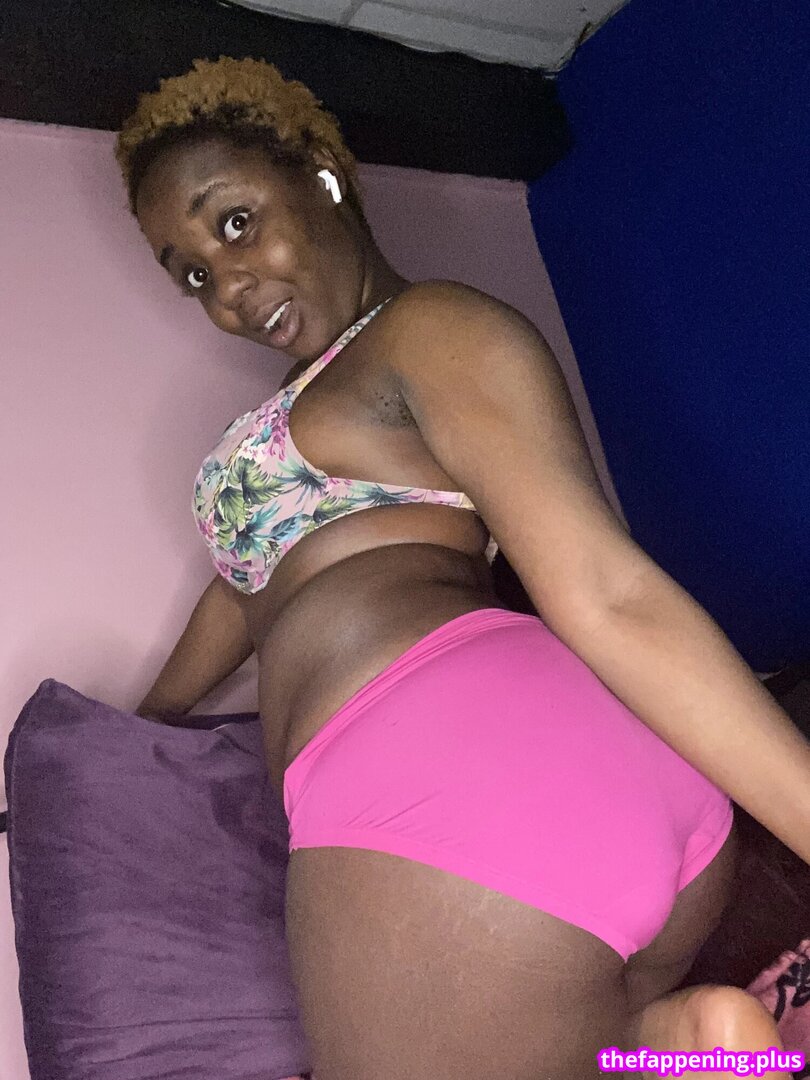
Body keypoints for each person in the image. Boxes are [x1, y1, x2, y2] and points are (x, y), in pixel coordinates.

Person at [115, 56, 807, 1079]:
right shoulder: (302, 412)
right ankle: (706, 1043)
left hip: (455, 776)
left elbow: (607, 594)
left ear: (321, 172)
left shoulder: (427, 331)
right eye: (194, 275)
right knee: (602, 1045)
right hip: (541, 796)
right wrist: (147, 721)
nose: (229, 287)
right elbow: (246, 584)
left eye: (236, 224)